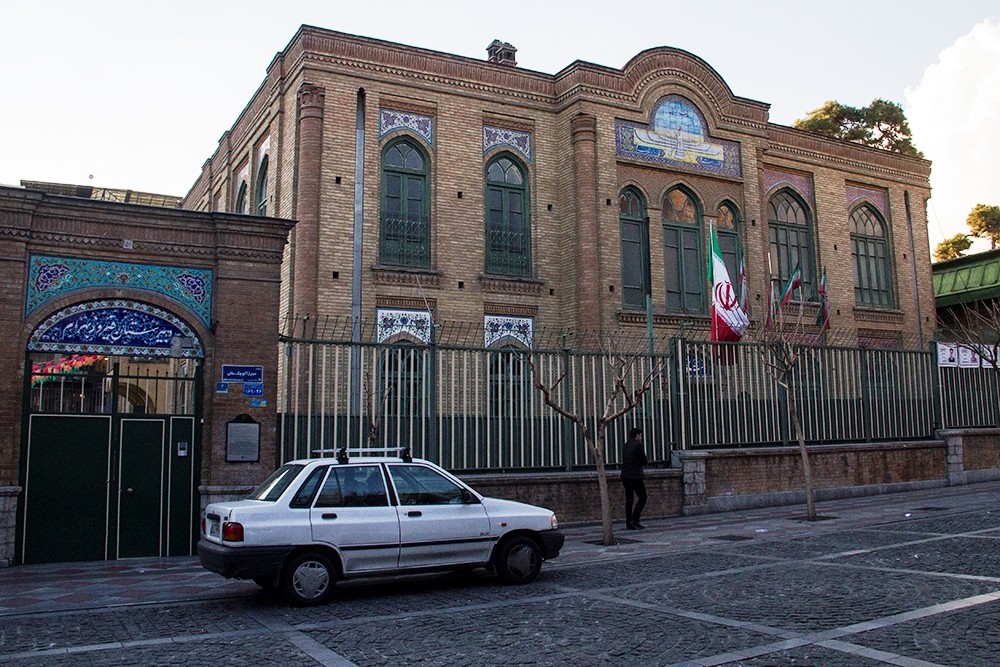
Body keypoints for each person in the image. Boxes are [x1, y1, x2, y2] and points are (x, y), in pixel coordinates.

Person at [621, 427, 648, 530]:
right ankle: (635, 519)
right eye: (640, 435)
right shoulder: (638, 446)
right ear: (637, 436)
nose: (640, 437)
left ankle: (628, 522)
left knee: (629, 500)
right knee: (643, 497)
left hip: (625, 475)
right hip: (635, 475)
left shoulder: (626, 445)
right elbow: (644, 460)